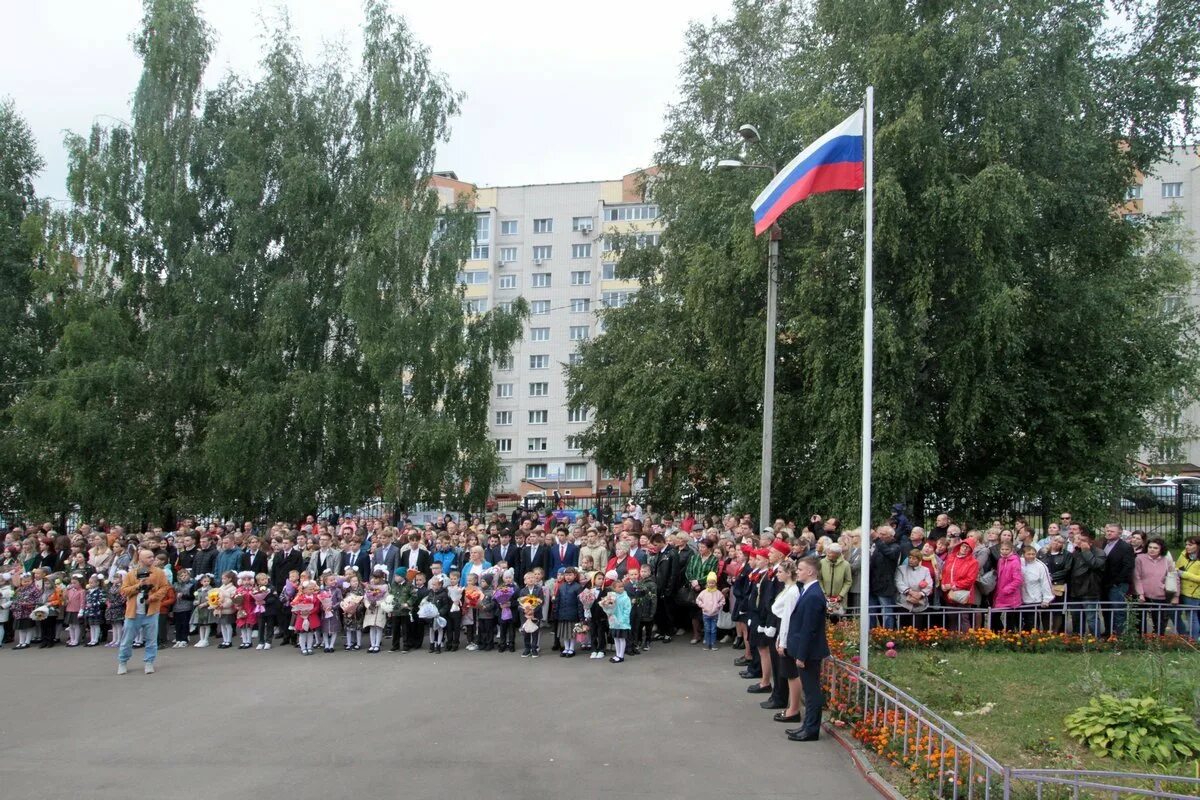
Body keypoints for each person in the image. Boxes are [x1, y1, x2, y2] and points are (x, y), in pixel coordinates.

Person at [784, 557, 830, 742]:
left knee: (811, 693)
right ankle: (806, 726)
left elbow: (809, 629)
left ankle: (811, 730)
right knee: (809, 692)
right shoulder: (808, 591)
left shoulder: (813, 595)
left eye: (801, 569)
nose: (797, 572)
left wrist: (801, 655)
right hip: (806, 650)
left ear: (810, 572)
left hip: (810, 652)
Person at [116, 548, 170, 675]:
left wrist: (152, 597)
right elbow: (124, 591)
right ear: (141, 559)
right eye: (149, 557)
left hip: (151, 611)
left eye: (153, 557)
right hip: (133, 612)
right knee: (127, 639)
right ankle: (122, 662)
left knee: (151, 639)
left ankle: (149, 662)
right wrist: (138, 586)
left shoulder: (159, 573)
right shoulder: (131, 574)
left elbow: (164, 588)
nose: (152, 559)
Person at [1068, 526, 1105, 637]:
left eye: (1083, 540)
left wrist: (1086, 551)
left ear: (1091, 542)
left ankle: (1096, 639)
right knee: (1076, 617)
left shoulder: (1099, 552)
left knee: (1091, 618)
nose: (1080, 542)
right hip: (1075, 590)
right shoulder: (1075, 552)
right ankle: (1077, 639)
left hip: (1090, 591)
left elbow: (1095, 565)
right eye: (1079, 540)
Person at [1132, 537, 1174, 635]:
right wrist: (1140, 594)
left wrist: (1167, 589)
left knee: (1159, 621)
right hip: (1143, 595)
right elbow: (1136, 577)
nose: (1152, 550)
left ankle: (1158, 641)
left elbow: (1172, 576)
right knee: (1140, 620)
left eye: (1155, 548)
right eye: (1150, 547)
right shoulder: (1140, 558)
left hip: (1160, 594)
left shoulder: (1166, 560)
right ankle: (1141, 640)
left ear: (1161, 549)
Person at [1101, 523, 1134, 635]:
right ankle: (1108, 631)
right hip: (1105, 583)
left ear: (1119, 533)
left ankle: (1119, 634)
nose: (1109, 533)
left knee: (1118, 610)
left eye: (1112, 531)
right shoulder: (1104, 544)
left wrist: (1116, 582)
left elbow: (1127, 567)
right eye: (1108, 531)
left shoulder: (1125, 547)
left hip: (1118, 584)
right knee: (1106, 609)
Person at [894, 549, 933, 629]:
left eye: (914, 558)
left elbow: (929, 584)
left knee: (918, 628)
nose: (911, 560)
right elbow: (898, 582)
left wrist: (920, 594)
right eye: (910, 557)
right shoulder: (901, 569)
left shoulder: (925, 570)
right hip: (904, 603)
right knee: (903, 628)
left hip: (920, 604)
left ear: (919, 560)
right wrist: (910, 592)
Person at [1018, 546, 1054, 631]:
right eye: (1028, 554)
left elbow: (1046, 583)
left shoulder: (1041, 566)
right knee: (1021, 625)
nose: (1031, 556)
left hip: (1034, 600)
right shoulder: (1019, 562)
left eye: (1033, 554)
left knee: (1032, 625)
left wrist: (1047, 599)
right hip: (1021, 600)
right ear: (1023, 554)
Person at [991, 541, 1024, 631]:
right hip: (1000, 593)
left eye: (1007, 549)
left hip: (1011, 594)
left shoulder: (1015, 561)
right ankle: (1001, 635)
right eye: (1002, 549)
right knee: (994, 617)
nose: (1004, 551)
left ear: (1011, 550)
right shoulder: (1001, 560)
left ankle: (1011, 638)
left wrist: (1007, 589)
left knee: (1010, 620)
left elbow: (1018, 579)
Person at [1175, 536, 1200, 639]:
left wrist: (1184, 574)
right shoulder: (1183, 554)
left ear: (1198, 546)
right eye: (1186, 544)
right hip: (1179, 590)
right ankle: (1184, 634)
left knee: (1191, 617)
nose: (1187, 547)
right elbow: (1177, 566)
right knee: (1174, 613)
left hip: (1192, 593)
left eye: (1190, 545)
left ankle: (1194, 641)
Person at [604, 576, 633, 663]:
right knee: (616, 638)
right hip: (614, 621)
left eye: (622, 586)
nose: (621, 588)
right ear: (614, 588)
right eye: (619, 587)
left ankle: (621, 655)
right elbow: (609, 607)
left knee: (621, 638)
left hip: (622, 622)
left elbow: (627, 610)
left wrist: (623, 620)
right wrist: (607, 608)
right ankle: (617, 654)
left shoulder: (626, 598)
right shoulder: (612, 597)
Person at [695, 571, 726, 650]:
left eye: (713, 583)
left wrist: (717, 606)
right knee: (707, 629)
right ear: (707, 583)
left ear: (715, 583)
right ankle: (707, 643)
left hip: (715, 614)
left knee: (713, 629)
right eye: (709, 583)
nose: (711, 584)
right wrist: (703, 606)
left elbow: (723, 600)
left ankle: (713, 644)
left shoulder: (718, 593)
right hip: (705, 614)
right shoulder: (703, 592)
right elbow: (698, 600)